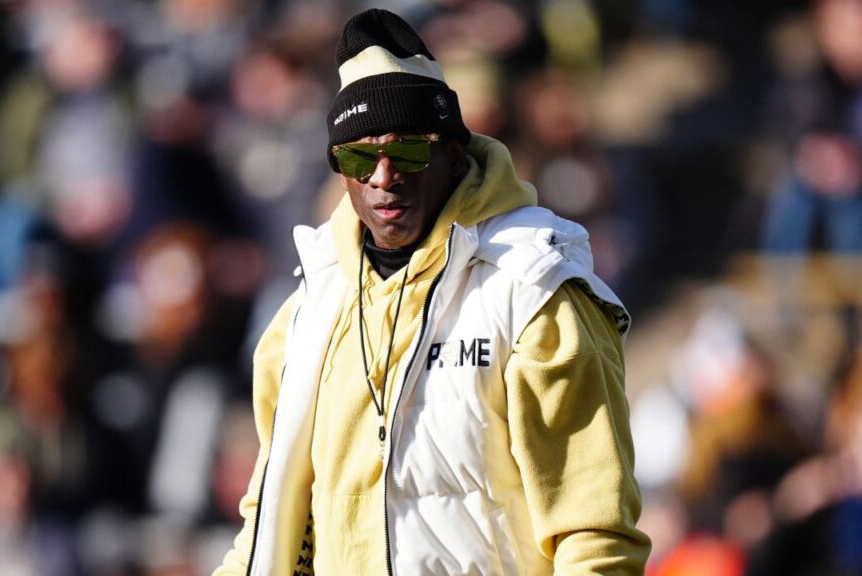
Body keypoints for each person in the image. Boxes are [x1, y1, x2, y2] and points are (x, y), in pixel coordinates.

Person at [215, 9, 650, 575]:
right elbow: (269, 527)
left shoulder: (534, 295)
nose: (384, 175)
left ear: (452, 153)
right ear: (339, 172)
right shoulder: (302, 321)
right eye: (359, 156)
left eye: (410, 150)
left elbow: (594, 536)